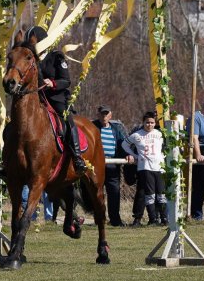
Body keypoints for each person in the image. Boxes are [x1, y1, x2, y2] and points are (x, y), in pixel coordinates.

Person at [24, 26, 87, 173]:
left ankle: (77, 156)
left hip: (56, 98)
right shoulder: (31, 59)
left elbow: (66, 81)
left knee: (67, 121)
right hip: (37, 98)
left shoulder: (56, 56)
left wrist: (53, 83)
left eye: (33, 43)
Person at [91, 105, 132, 227]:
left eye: (106, 114)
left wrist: (128, 155)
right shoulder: (93, 128)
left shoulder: (116, 129)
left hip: (113, 165)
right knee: (96, 193)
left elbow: (122, 145)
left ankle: (115, 220)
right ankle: (99, 219)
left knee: (114, 192)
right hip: (96, 166)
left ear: (110, 115)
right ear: (98, 115)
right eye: (102, 114)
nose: (104, 116)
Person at [126, 111, 167, 226]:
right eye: (147, 122)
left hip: (158, 167)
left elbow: (165, 147)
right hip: (145, 167)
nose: (149, 124)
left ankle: (163, 218)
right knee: (146, 193)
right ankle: (149, 219)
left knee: (161, 194)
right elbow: (125, 144)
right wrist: (134, 155)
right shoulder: (137, 134)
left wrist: (163, 156)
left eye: (152, 122)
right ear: (143, 122)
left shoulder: (160, 133)